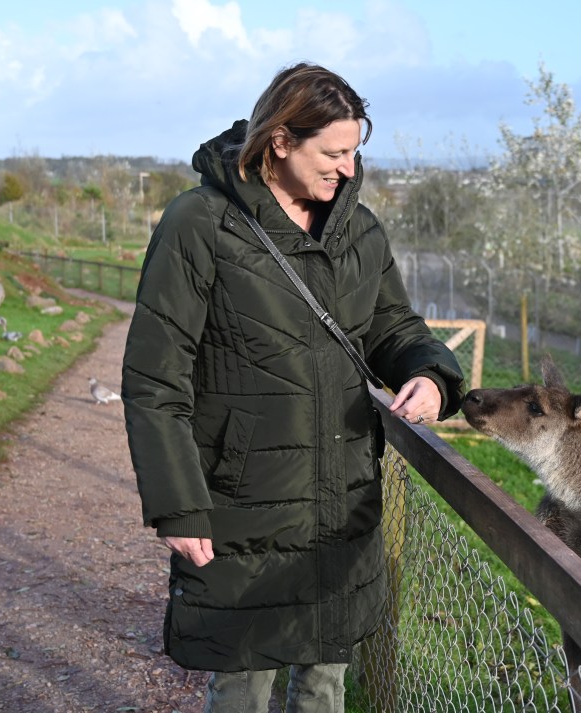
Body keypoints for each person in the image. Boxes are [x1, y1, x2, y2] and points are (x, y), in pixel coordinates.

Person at [121, 62, 465, 713]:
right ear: (280, 140)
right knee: (241, 684)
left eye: (355, 151)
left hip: (344, 502)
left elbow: (392, 326)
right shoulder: (199, 225)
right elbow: (153, 377)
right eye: (332, 152)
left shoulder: (359, 230)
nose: (347, 167)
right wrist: (179, 502)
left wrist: (427, 374)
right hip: (244, 504)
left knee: (325, 684)